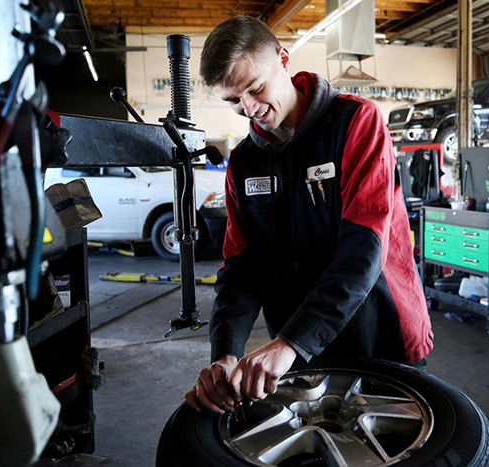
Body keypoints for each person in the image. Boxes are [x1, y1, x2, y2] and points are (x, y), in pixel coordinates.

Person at [185, 15, 433, 415]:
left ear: (284, 58)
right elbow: (241, 268)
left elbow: (363, 249)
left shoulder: (356, 123)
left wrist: (291, 343)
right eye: (233, 100)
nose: (249, 108)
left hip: (380, 333)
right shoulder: (244, 163)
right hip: (299, 349)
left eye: (255, 88)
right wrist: (226, 354)